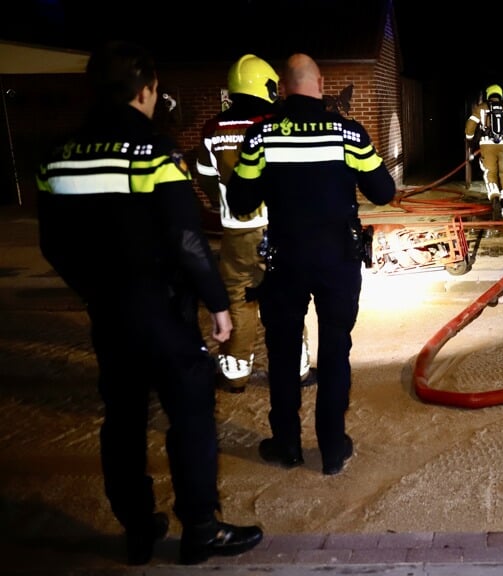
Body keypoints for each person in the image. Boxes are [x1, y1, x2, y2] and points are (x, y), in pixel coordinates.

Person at [35, 40, 263, 566]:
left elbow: (53, 243)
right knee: (190, 415)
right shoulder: (153, 153)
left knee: (122, 418)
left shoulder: (57, 155)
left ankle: (138, 529)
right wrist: (217, 303)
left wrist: (92, 288)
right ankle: (200, 528)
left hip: (108, 313)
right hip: (161, 311)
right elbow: (186, 240)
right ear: (145, 90)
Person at [227, 53, 396, 476]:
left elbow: (241, 200)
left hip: (285, 260)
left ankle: (286, 445)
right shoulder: (349, 134)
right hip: (338, 259)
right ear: (321, 83)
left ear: (282, 88)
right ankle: (333, 449)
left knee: (283, 353)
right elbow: (384, 192)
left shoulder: (261, 136)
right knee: (336, 350)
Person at [195, 54, 313, 394]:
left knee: (239, 298)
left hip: (237, 232)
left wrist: (224, 206)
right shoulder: (280, 123)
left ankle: (235, 373)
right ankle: (296, 369)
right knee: (288, 297)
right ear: (268, 86)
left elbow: (204, 176)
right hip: (281, 228)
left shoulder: (214, 129)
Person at [464, 84, 503, 203]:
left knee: (490, 171)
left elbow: (470, 125)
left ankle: (494, 193)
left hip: (487, 145)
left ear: (488, 95)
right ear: (500, 95)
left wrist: (469, 137)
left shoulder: (480, 108)